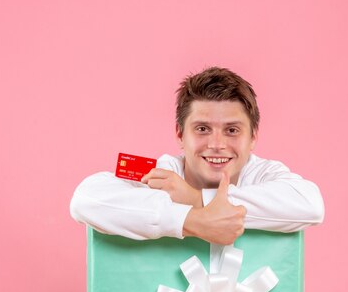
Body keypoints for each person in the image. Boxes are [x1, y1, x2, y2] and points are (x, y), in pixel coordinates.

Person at [70, 67, 324, 245]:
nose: (217, 144)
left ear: (253, 137)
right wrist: (192, 220)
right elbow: (86, 197)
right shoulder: (161, 172)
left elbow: (311, 205)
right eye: (202, 129)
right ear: (180, 134)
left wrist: (196, 198)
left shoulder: (264, 173)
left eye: (232, 130)